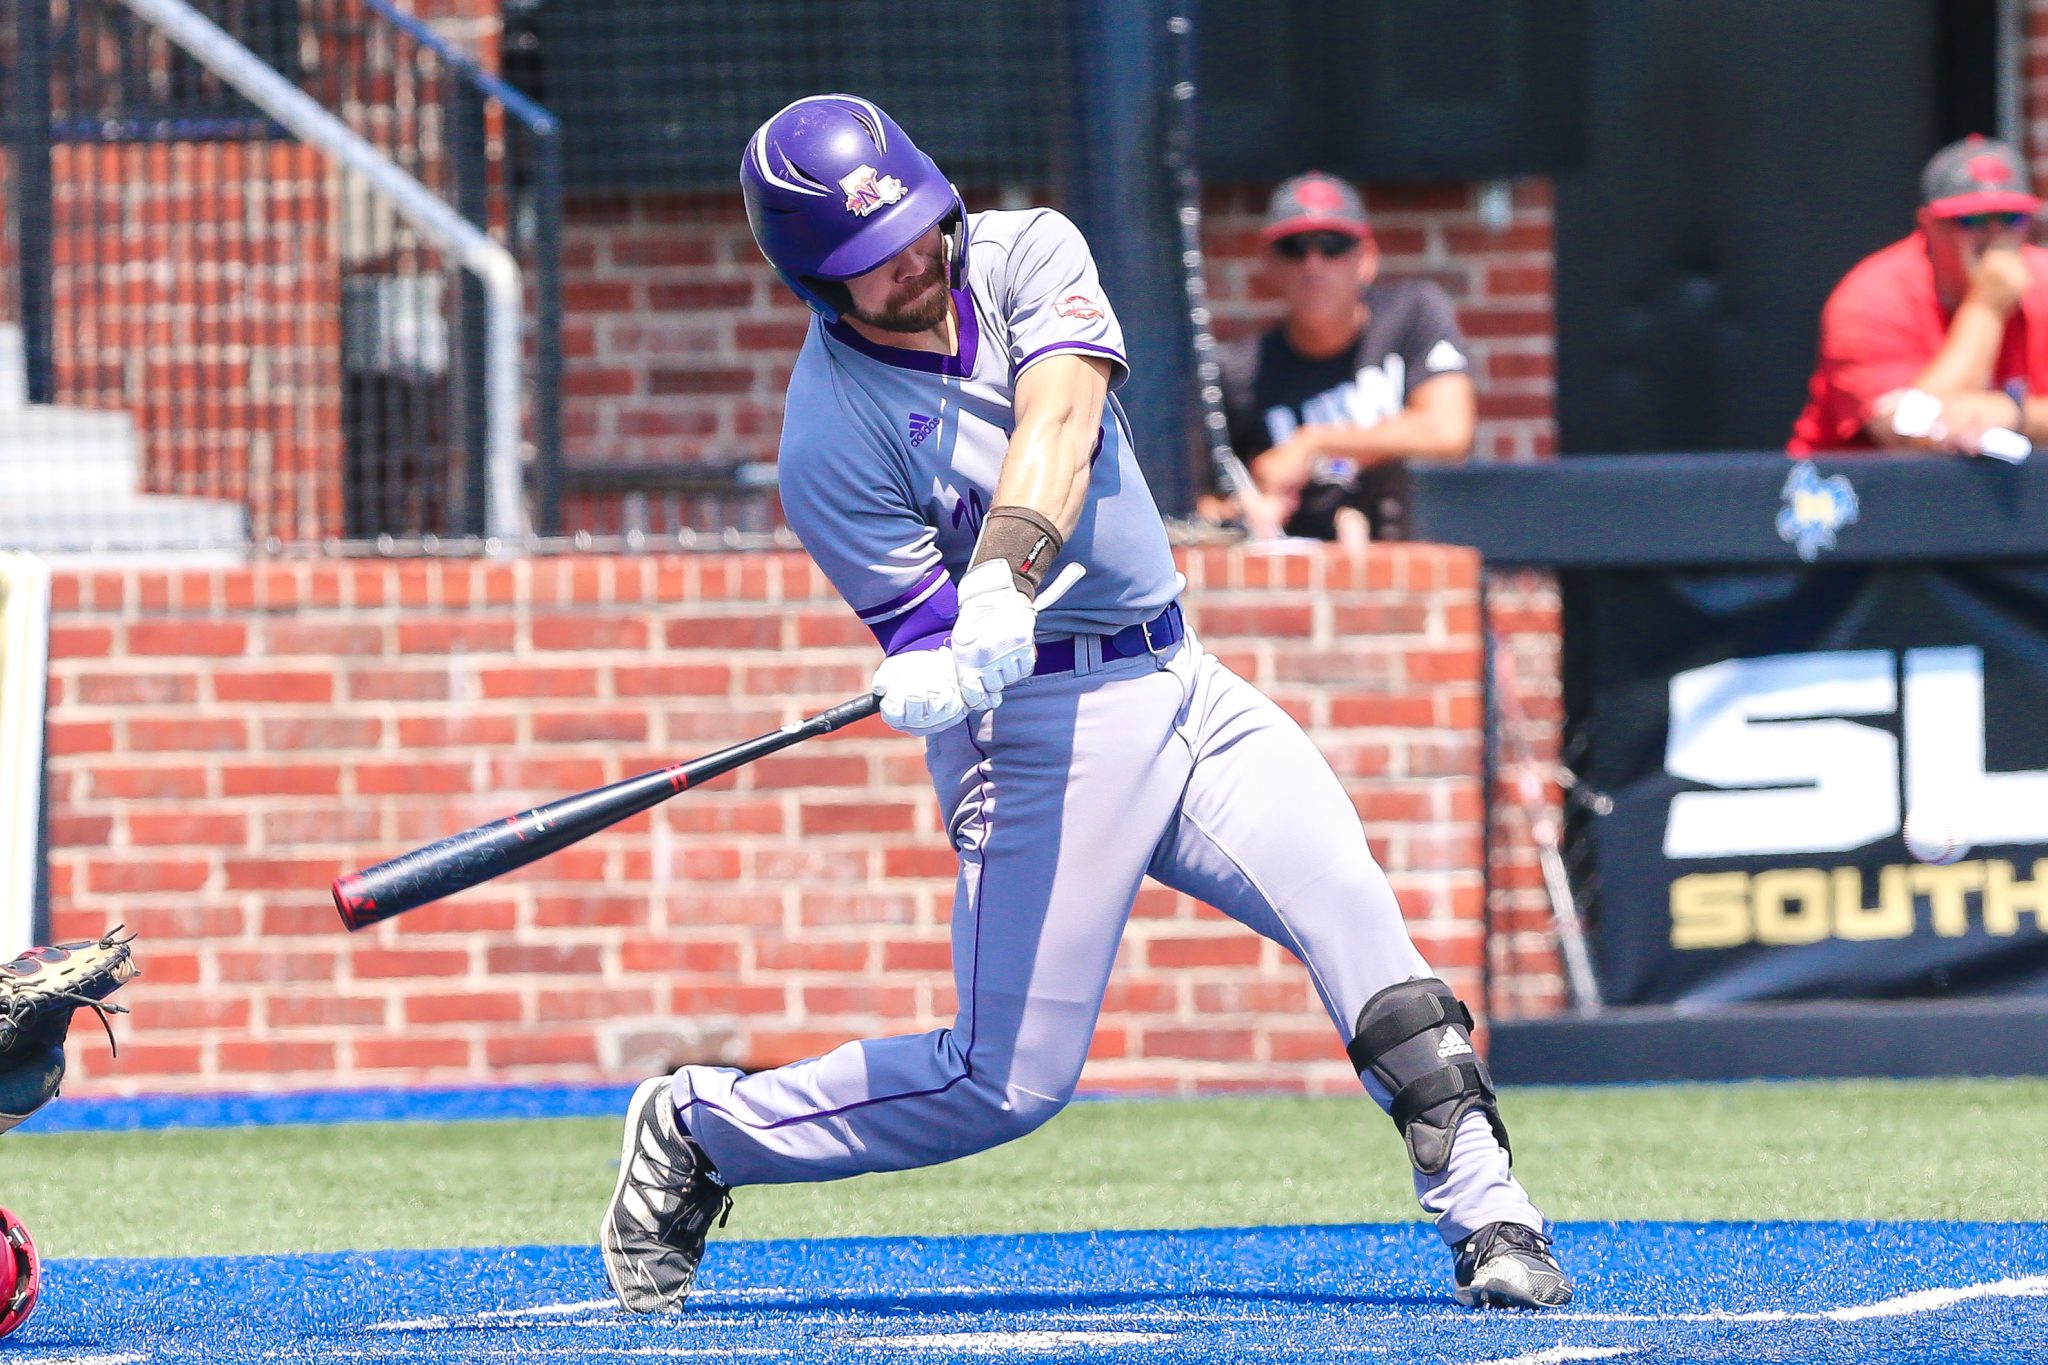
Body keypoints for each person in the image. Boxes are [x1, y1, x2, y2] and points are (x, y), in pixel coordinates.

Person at [598, 94, 1571, 1315]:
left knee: (1357, 920)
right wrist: (933, 659)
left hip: (1179, 677)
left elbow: (1056, 422)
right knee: (1001, 1083)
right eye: (865, 257)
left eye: (910, 223)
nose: (908, 257)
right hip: (1039, 733)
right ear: (810, 279)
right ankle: (701, 1130)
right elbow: (925, 632)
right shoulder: (826, 440)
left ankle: (1491, 1218)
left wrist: (997, 573)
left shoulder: (1024, 251)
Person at [1210, 172, 1476, 546]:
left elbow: (1448, 432)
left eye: (1333, 245)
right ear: (1268, 264)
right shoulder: (1241, 372)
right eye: (1294, 248)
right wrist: (1246, 511)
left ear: (1366, 259)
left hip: (1414, 564)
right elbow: (1203, 503)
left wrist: (1313, 443)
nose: (1313, 265)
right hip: (1305, 578)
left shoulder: (1413, 315)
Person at [1789, 135, 2048, 456]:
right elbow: (1910, 432)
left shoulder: (2043, 280)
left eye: (2011, 218)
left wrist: (2015, 413)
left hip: (2006, 493)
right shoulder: (1872, 297)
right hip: (1864, 493)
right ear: (1929, 225)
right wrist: (1986, 307)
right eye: (1973, 220)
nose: (1995, 235)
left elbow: (1997, 416)